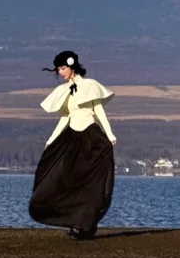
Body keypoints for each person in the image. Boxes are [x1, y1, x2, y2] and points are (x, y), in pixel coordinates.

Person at [28, 51, 116, 240]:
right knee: (67, 179)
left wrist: (109, 134)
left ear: (72, 66)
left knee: (90, 182)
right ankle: (74, 220)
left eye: (62, 68)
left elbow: (98, 111)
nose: (60, 72)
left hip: (91, 138)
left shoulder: (90, 86)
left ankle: (86, 224)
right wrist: (51, 140)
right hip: (72, 139)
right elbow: (65, 118)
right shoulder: (64, 91)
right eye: (58, 69)